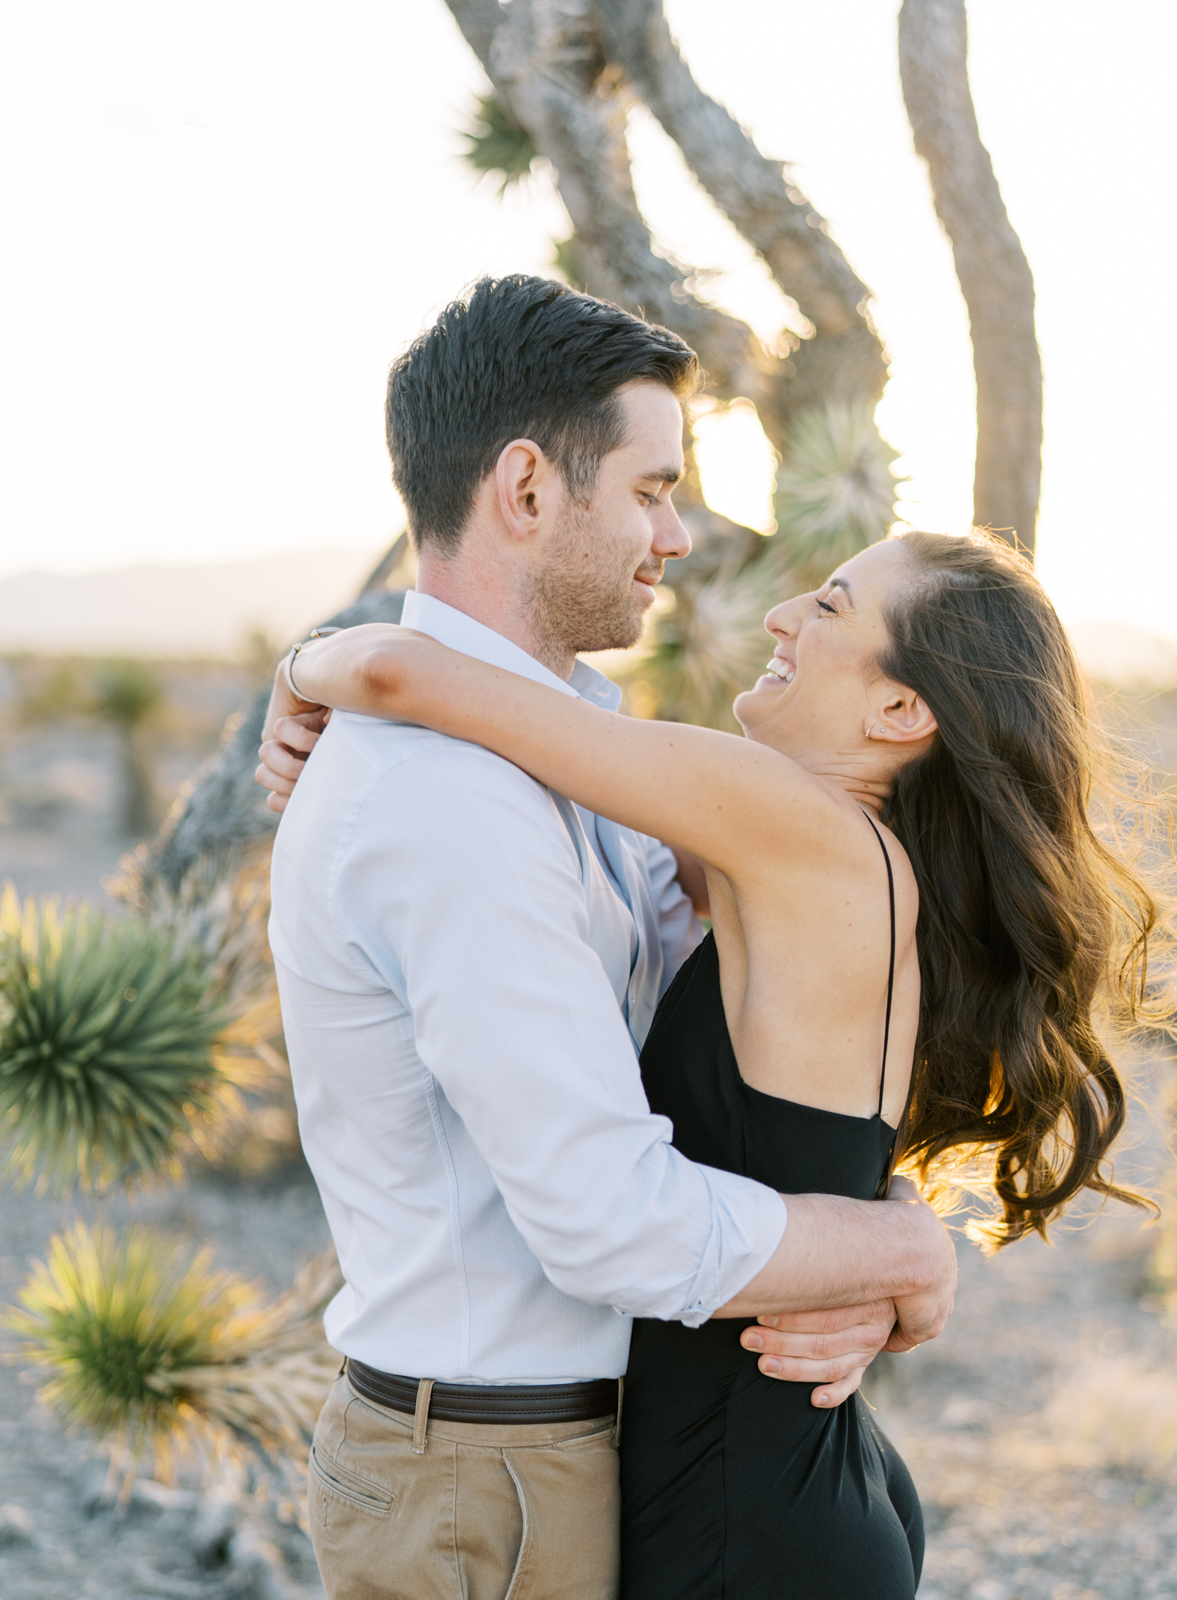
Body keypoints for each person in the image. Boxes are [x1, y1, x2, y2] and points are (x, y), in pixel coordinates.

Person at [264, 524, 1163, 1599]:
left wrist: (300, 668)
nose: (783, 616)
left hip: (742, 1520)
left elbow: (389, 668)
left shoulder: (795, 827)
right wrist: (900, 1247)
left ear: (900, 711)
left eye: (830, 606)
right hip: (788, 1487)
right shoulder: (826, 860)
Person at [258, 275, 957, 1600]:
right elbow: (614, 1227)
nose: (680, 536)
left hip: (565, 1446)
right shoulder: (446, 798)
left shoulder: (560, 767)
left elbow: (721, 1066)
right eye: (650, 489)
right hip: (485, 1479)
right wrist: (896, 1249)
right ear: (526, 491)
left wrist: (881, 1238)